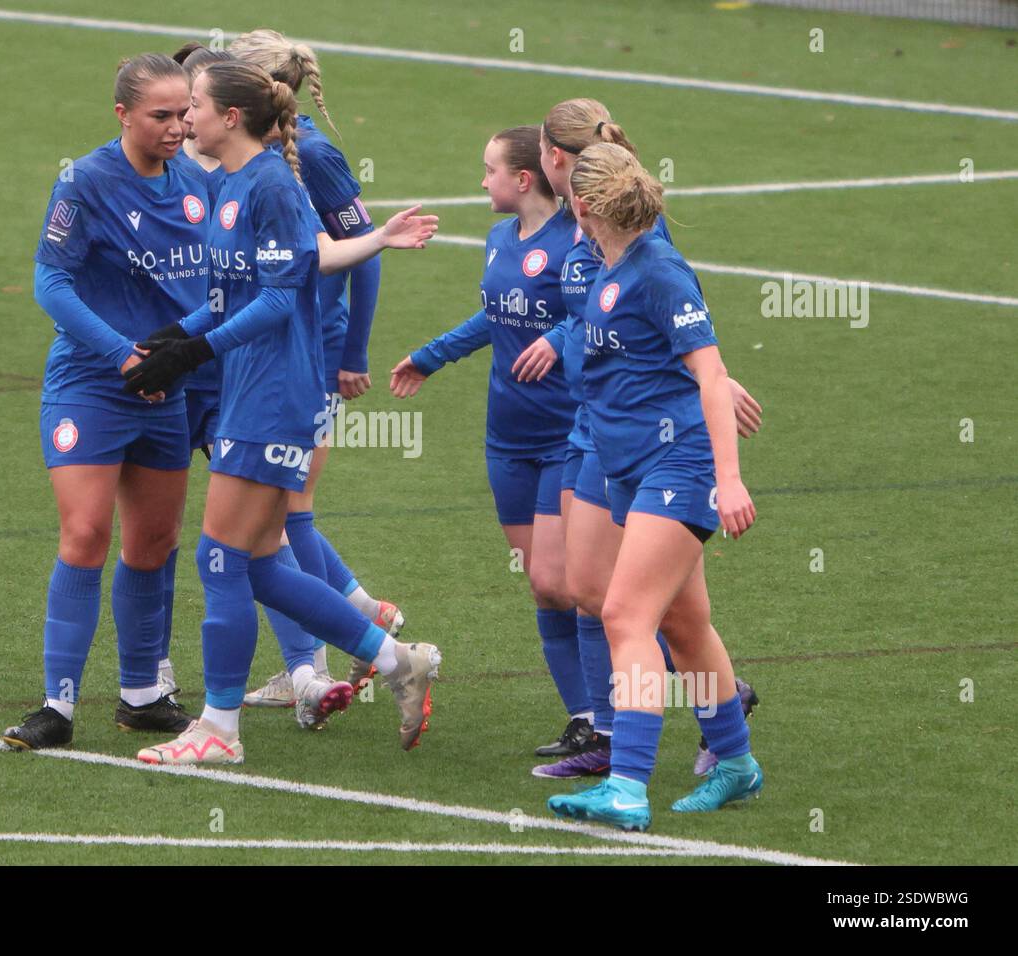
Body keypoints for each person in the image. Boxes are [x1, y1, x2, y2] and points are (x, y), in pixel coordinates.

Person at [120, 61, 440, 765]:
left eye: (195, 105)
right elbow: (229, 296)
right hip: (248, 388)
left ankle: (218, 730)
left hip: (276, 395)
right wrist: (173, 338)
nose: (184, 119)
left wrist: (193, 352)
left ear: (230, 117)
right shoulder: (232, 184)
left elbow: (276, 300)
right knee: (259, 566)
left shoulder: (271, 185)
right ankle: (397, 662)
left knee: (218, 557)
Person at [515, 99, 760, 780]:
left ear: (561, 168)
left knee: (625, 613)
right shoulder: (600, 254)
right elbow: (606, 335)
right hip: (609, 439)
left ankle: (625, 770)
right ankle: (726, 729)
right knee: (644, 609)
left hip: (666, 452)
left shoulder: (648, 261)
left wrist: (715, 390)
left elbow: (692, 348)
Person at [1, 53, 209, 750]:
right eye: (161, 116)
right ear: (122, 115)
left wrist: (178, 356)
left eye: (185, 113)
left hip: (165, 388)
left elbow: (216, 290)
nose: (178, 127)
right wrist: (124, 355)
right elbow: (51, 284)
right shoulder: (85, 182)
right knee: (86, 534)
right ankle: (56, 706)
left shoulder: (199, 184)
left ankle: (143, 694)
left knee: (154, 543)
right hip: (93, 383)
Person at [390, 126, 588, 757]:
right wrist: (431, 355)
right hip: (506, 438)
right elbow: (494, 316)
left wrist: (559, 340)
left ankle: (702, 685)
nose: (482, 182)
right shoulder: (501, 238)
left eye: (490, 170)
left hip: (567, 438)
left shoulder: (576, 243)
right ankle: (585, 716)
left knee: (569, 586)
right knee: (542, 586)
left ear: (523, 179)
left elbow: (599, 318)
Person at [228, 30, 404, 710]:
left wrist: (351, 353)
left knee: (279, 515)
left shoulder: (317, 157)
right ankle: (339, 637)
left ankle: (344, 645)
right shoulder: (248, 156)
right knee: (278, 513)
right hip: (256, 348)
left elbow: (369, 250)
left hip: (303, 350)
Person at [149, 41, 233, 704]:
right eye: (174, 110)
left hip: (225, 374)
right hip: (167, 379)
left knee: (256, 536)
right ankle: (153, 669)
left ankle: (308, 667)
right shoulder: (132, 175)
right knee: (161, 532)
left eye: (192, 108)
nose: (183, 123)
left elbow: (267, 289)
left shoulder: (241, 181)